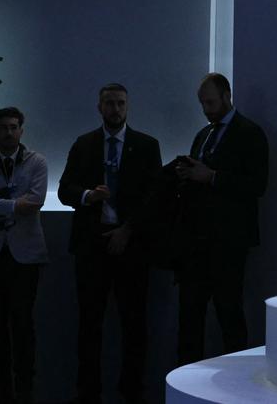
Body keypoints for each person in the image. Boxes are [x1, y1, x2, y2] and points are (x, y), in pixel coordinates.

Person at [57, 83, 163, 404]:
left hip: (132, 247)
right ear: (98, 107)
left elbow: (155, 198)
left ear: (128, 107)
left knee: (134, 325)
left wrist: (127, 230)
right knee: (89, 324)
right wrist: (89, 196)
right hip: (92, 247)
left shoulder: (146, 145)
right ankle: (88, 393)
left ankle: (132, 392)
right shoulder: (84, 144)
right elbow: (64, 190)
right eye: (109, 104)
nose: (115, 109)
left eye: (119, 104)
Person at [168, 73, 268, 366]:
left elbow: (257, 185)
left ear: (227, 96)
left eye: (211, 102)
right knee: (189, 318)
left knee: (229, 314)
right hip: (196, 241)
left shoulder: (250, 133)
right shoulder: (204, 134)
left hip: (228, 241)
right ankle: (186, 384)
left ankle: (234, 385)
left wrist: (211, 177)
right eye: (202, 103)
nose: (206, 109)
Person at [0, 106, 47, 404]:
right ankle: (1, 393)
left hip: (24, 256)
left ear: (22, 130)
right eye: (2, 127)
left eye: (14, 127)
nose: (8, 132)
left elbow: (37, 200)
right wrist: (15, 205)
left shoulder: (36, 161)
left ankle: (25, 391)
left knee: (23, 326)